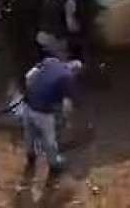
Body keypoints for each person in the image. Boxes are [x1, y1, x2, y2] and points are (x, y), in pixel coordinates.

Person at [19, 55, 83, 189]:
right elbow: (72, 101)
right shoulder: (68, 77)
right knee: (49, 140)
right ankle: (55, 164)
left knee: (29, 134)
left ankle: (31, 157)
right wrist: (69, 117)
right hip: (42, 112)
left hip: (27, 104)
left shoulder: (51, 61)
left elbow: (29, 76)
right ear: (75, 71)